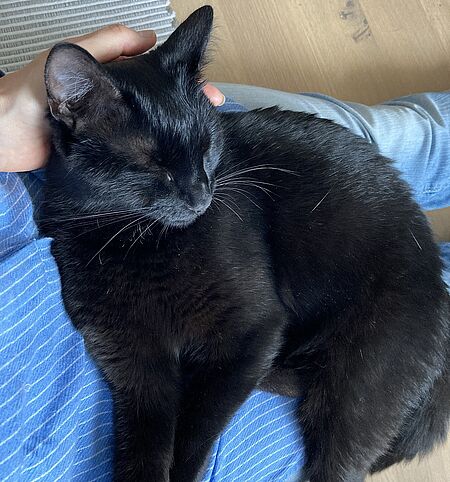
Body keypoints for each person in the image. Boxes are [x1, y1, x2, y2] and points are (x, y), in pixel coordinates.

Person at [0, 25, 449, 482]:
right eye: (157, 170)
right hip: (293, 306)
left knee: (415, 142)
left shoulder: (200, 207)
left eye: (204, 154)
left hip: (378, 284)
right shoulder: (87, 244)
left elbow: (247, 333)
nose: (200, 196)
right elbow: (144, 387)